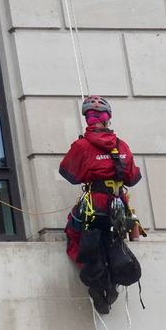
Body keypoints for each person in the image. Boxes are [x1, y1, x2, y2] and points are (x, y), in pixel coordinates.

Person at [59, 95, 144, 314]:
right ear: (107, 119)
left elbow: (68, 174)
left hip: (94, 204)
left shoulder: (81, 145)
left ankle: (99, 283)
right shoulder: (122, 145)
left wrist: (92, 165)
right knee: (113, 238)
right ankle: (112, 282)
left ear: (88, 119)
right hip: (118, 205)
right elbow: (133, 179)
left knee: (75, 235)